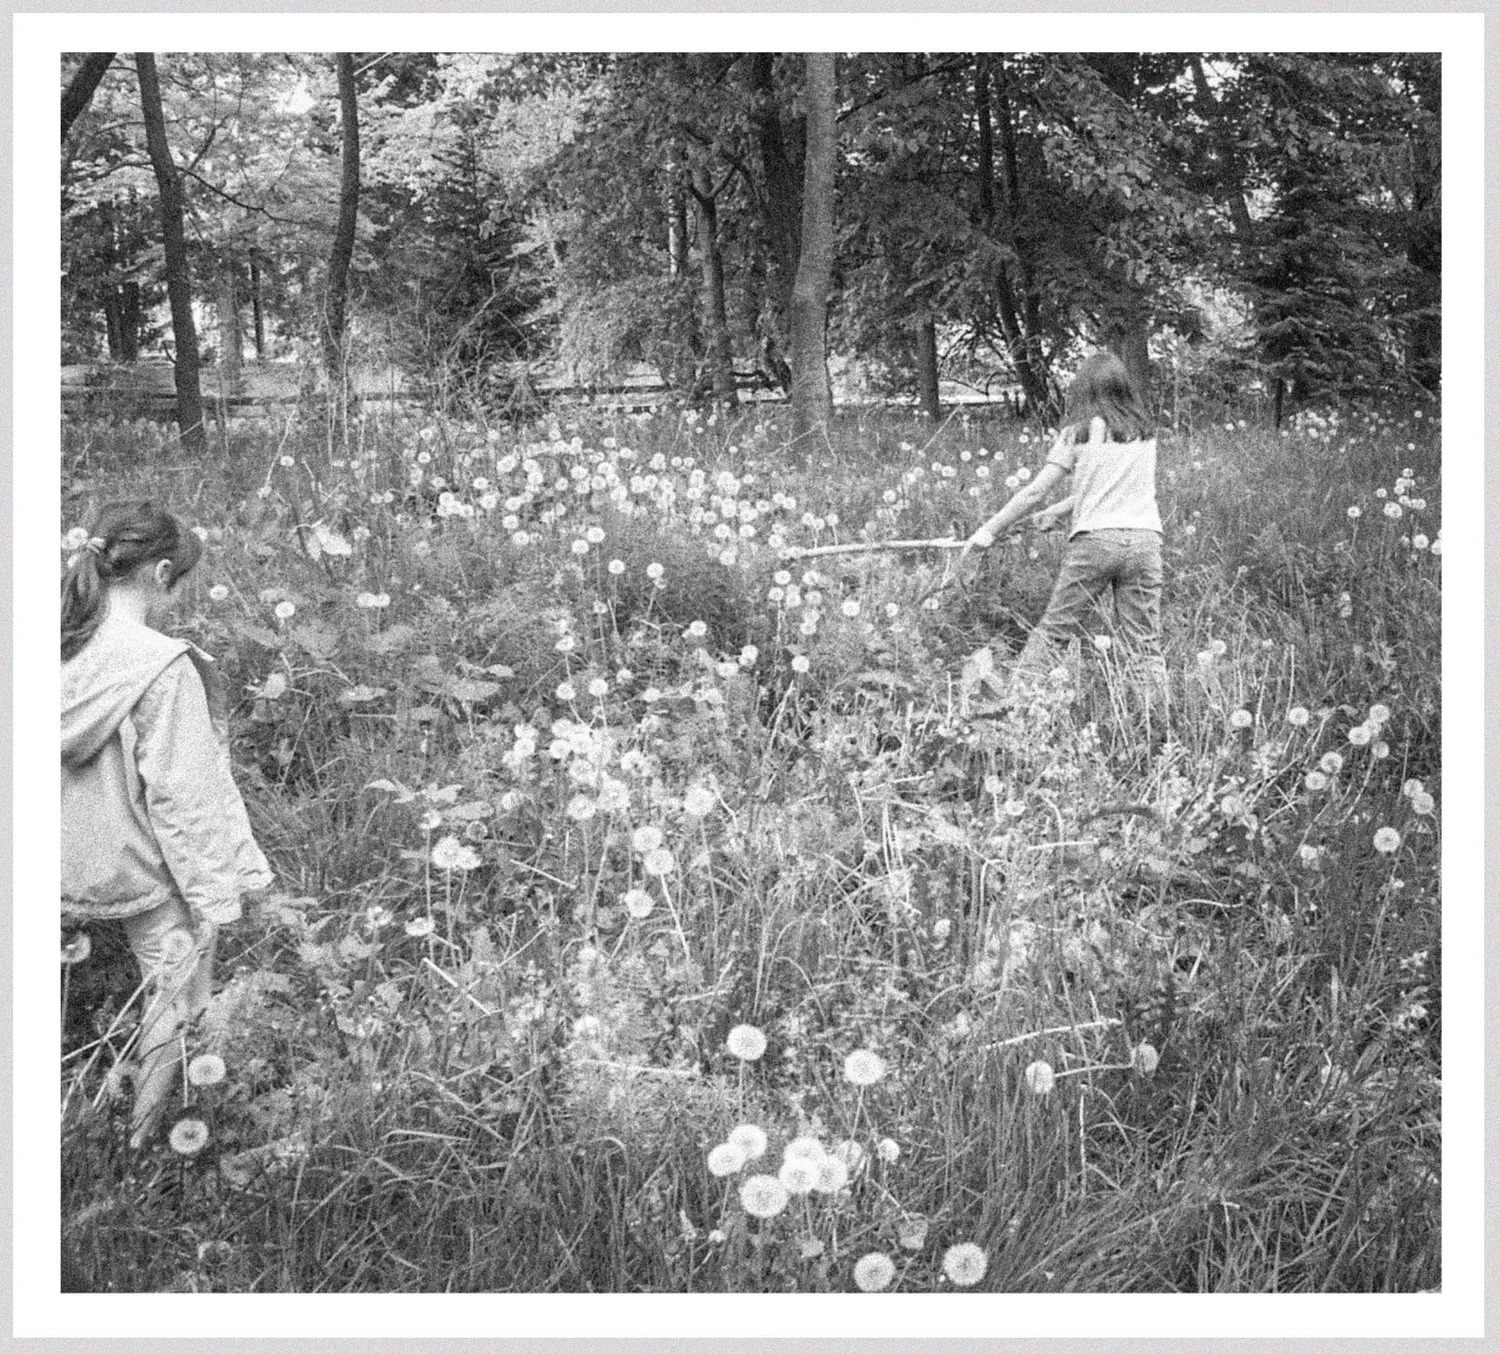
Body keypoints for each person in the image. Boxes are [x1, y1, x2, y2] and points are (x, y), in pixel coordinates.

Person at [61, 500, 272, 1148]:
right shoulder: (159, 664)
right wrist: (215, 898)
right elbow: (186, 796)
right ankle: (139, 1146)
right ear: (159, 573)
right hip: (128, 862)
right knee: (176, 987)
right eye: (178, 583)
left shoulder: (51, 639)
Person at [960, 351, 1168, 729]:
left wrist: (986, 531)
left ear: (1084, 390)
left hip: (1095, 543)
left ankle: (1015, 715)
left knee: (1054, 632)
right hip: (1144, 542)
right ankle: (1156, 727)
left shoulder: (1079, 432)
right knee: (1144, 644)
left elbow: (1032, 494)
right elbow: (1117, 486)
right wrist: (1062, 509)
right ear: (1123, 387)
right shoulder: (1143, 431)